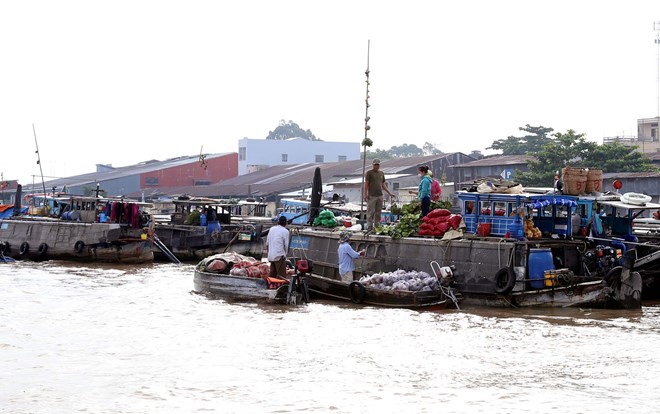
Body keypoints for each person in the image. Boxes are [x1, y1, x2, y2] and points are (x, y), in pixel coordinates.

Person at [363, 158, 394, 230]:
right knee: (370, 211)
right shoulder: (369, 173)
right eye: (375, 165)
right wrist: (365, 194)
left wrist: (389, 193)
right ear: (373, 165)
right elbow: (366, 184)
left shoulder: (381, 173)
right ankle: (370, 226)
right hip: (372, 195)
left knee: (378, 212)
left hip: (380, 195)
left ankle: (377, 225)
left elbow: (383, 184)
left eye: (378, 165)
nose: (376, 166)